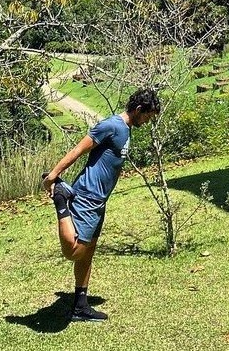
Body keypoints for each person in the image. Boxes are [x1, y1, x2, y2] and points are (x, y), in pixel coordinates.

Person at [42, 88, 160, 322]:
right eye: (148, 116)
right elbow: (79, 148)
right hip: (88, 196)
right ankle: (61, 200)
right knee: (74, 252)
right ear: (138, 110)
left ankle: (80, 306)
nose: (148, 122)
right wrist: (54, 175)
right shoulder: (112, 126)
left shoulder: (126, 129)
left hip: (100, 200)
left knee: (88, 254)